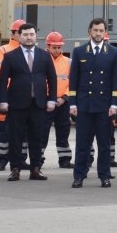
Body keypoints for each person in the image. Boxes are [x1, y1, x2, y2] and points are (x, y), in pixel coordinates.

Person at [0, 23, 57, 182]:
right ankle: (15, 169)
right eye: (25, 35)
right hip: (16, 104)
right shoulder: (10, 56)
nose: (29, 37)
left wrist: (52, 99)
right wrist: (2, 100)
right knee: (15, 137)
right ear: (19, 36)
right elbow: (2, 81)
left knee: (37, 137)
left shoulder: (44, 56)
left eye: (31, 34)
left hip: (38, 104)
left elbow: (52, 79)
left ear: (36, 36)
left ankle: (35, 169)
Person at [68, 18, 117, 189]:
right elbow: (73, 79)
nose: (98, 34)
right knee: (82, 144)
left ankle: (104, 176)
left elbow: (116, 81)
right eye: (95, 30)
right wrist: (72, 103)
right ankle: (79, 176)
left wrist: (114, 103)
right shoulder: (79, 51)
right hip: (84, 105)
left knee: (104, 144)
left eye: (101, 31)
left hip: (104, 107)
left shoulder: (113, 52)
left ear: (105, 32)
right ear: (89, 32)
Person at [0, 18, 27, 171]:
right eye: (20, 32)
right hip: (6, 96)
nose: (23, 35)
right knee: (5, 132)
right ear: (13, 34)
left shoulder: (29, 50)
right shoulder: (3, 50)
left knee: (24, 131)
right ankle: (2, 160)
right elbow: (0, 75)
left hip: (23, 98)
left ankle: (21, 160)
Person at [41, 31, 73, 168]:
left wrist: (64, 97)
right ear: (47, 46)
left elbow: (72, 82)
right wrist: (50, 98)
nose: (57, 50)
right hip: (46, 103)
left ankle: (65, 159)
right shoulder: (41, 60)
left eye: (59, 47)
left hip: (63, 103)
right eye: (54, 47)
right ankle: (38, 160)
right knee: (42, 132)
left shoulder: (68, 62)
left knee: (64, 131)